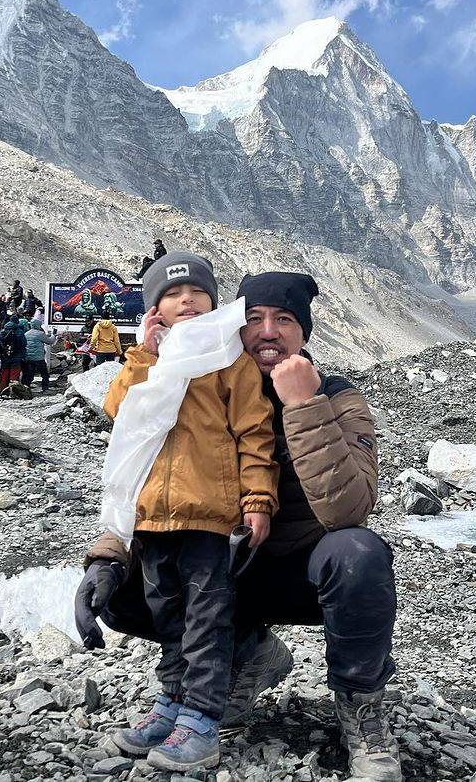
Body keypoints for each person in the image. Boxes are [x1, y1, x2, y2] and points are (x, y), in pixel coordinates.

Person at [79, 271, 400, 781]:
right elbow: (139, 472)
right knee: (123, 590)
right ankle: (249, 654)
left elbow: (348, 510)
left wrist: (302, 404)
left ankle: (361, 711)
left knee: (358, 552)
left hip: (301, 574)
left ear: (305, 332)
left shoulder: (337, 397)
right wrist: (107, 553)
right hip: (220, 570)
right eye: (254, 319)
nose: (268, 331)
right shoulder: (190, 384)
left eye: (285, 319)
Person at [100, 253, 278, 772]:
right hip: (153, 518)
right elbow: (119, 411)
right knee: (168, 618)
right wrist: (142, 355)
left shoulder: (229, 362)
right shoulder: (150, 362)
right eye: (174, 297)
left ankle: (203, 718)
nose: (187, 302)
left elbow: (255, 434)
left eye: (198, 294)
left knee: (206, 620)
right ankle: (171, 705)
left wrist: (257, 500)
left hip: (209, 517)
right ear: (156, 310)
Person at [23, 319, 56, 392]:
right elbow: (50, 341)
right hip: (38, 358)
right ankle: (45, 388)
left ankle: (25, 388)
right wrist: (54, 335)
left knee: (29, 374)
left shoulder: (26, 334)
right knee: (44, 374)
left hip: (28, 358)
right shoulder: (40, 334)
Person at [0, 317, 26, 391]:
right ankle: (13, 391)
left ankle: (2, 389)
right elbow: (24, 343)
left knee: (4, 374)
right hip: (16, 356)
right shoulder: (19, 331)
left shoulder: (3, 330)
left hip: (5, 356)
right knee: (14, 374)